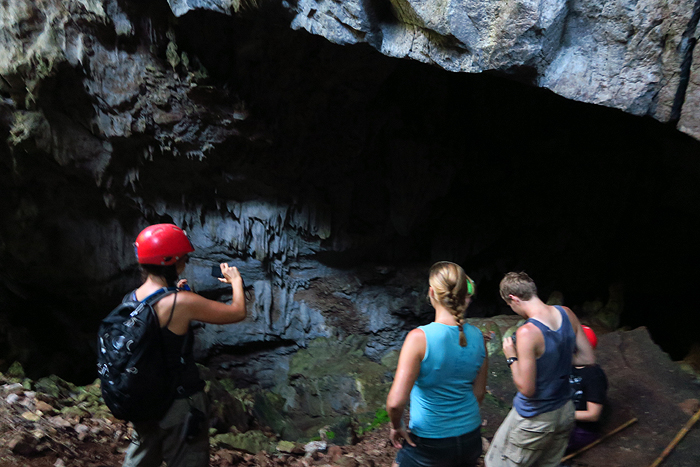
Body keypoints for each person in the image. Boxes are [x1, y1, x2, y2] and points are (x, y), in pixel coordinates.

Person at [123, 223, 246, 467]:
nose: (186, 262)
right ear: (170, 261)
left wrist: (174, 292)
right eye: (184, 258)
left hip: (143, 398)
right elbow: (237, 312)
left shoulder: (131, 299)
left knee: (142, 457)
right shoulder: (182, 302)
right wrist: (236, 281)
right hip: (179, 402)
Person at [485, 272, 595, 467]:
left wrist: (511, 356)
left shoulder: (528, 332)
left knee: (496, 463)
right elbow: (587, 358)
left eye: (510, 305)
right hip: (565, 410)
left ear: (513, 299)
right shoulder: (566, 313)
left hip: (536, 416)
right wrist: (554, 359)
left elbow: (527, 389)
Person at [386, 261, 489, 467]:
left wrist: (396, 426)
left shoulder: (419, 338)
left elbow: (396, 402)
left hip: (430, 442)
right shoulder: (478, 337)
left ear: (432, 292)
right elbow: (479, 393)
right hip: (471, 437)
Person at [567, 325, 608, 453]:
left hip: (582, 429)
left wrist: (561, 415)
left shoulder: (594, 376)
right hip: (563, 420)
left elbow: (593, 415)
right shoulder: (568, 365)